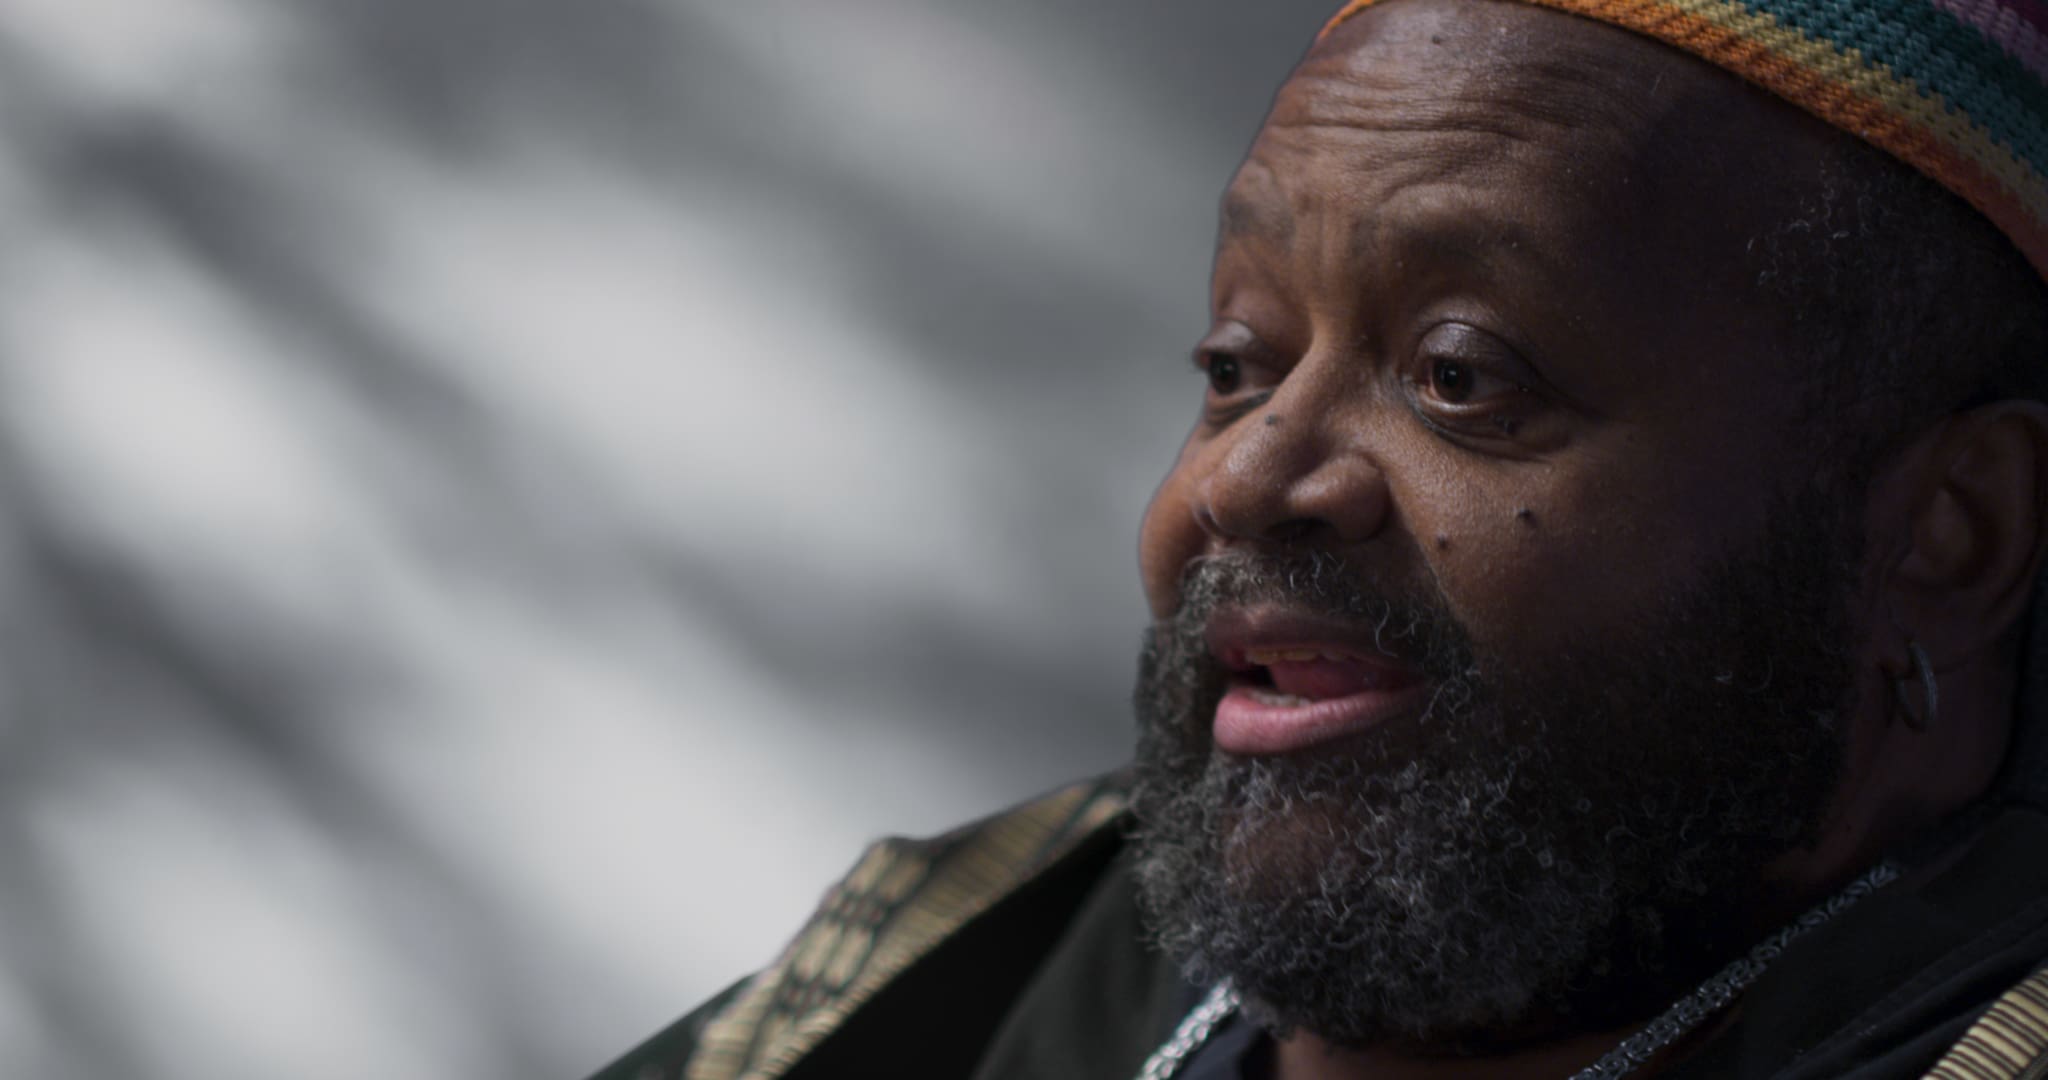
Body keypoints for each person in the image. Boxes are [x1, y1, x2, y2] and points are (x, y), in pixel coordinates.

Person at [591, 0, 2048, 1076]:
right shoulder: (979, 956)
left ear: (1949, 535)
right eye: (1236, 363)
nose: (1245, 477)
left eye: (1461, 374)